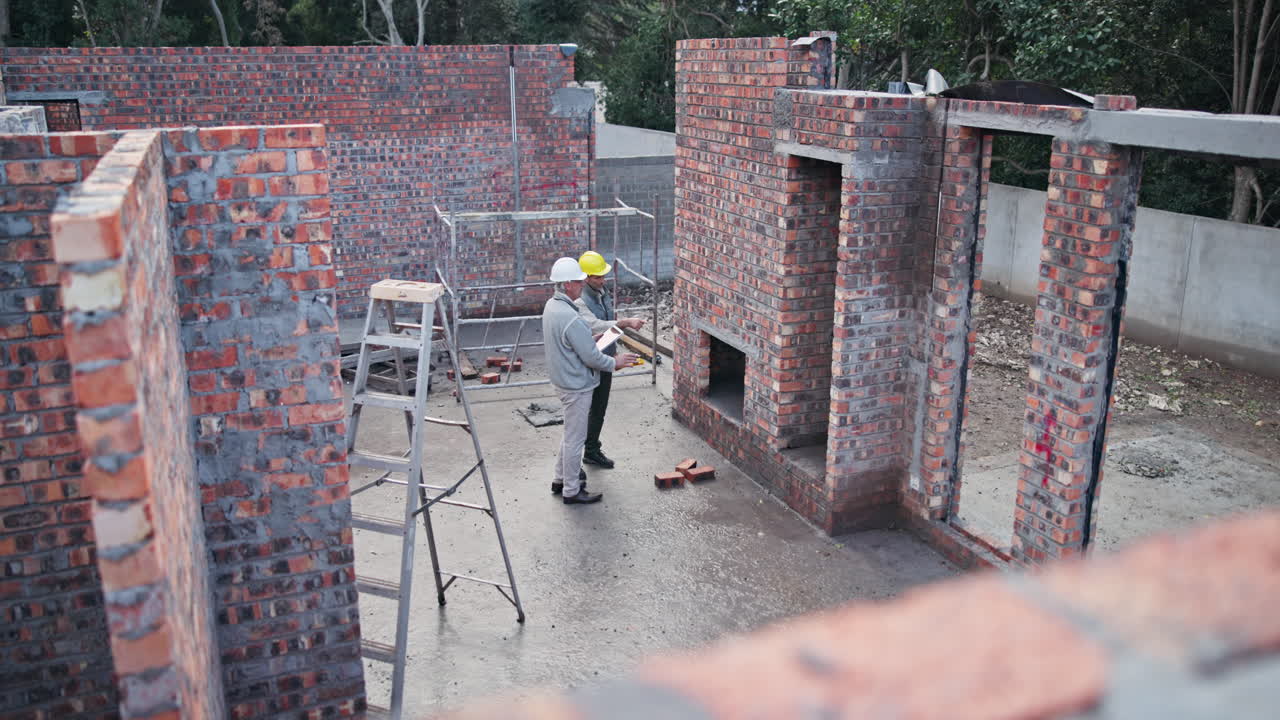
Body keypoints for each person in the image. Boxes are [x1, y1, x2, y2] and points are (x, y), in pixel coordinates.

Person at [542, 257, 638, 504]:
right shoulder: (570, 317)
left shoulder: (552, 307)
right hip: (576, 384)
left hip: (563, 379)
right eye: (578, 281)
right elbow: (592, 358)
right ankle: (571, 490)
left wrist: (588, 338)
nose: (582, 284)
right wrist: (615, 362)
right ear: (567, 284)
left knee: (569, 434)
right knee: (576, 440)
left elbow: (572, 342)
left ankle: (560, 479)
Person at [573, 251, 645, 469]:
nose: (602, 280)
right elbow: (595, 325)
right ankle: (574, 461)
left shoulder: (601, 292)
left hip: (604, 357)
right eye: (597, 277)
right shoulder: (579, 300)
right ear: (586, 277)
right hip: (588, 360)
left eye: (603, 276)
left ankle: (591, 450)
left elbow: (607, 322)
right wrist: (625, 322)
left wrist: (614, 354)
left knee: (599, 407)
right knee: (583, 411)